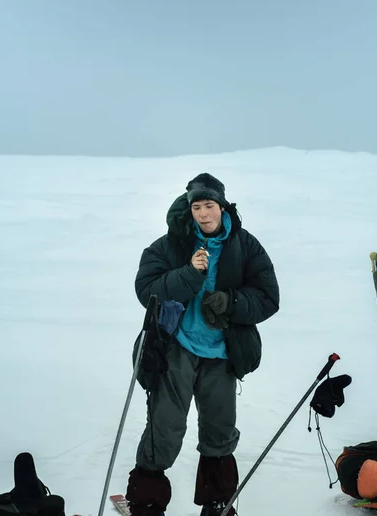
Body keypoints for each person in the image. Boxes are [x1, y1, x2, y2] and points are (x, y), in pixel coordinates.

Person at [126, 173, 280, 516]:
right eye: (197, 206)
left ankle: (217, 504)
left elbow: (269, 297)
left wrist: (231, 302)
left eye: (209, 206)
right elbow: (146, 290)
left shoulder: (246, 245)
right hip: (175, 348)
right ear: (189, 208)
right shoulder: (171, 245)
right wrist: (189, 275)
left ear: (222, 207)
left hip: (222, 353)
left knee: (220, 430)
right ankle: (147, 502)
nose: (203, 214)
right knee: (165, 426)